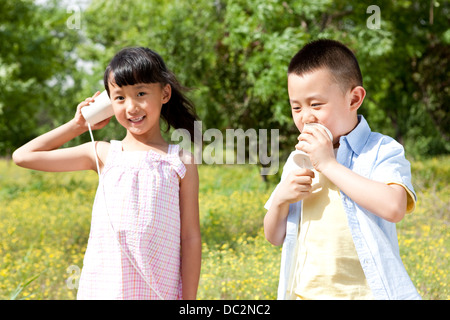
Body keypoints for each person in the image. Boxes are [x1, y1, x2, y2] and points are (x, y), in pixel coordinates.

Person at [13, 47, 201, 300]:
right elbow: (23, 156)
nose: (131, 107)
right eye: (120, 98)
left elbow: (190, 237)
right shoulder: (102, 154)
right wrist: (78, 125)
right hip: (104, 290)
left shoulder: (180, 161)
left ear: (165, 93)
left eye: (141, 93)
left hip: (158, 291)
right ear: (109, 103)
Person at [263, 39, 420, 300]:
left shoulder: (380, 150)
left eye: (316, 105)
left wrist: (328, 164)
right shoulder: (297, 160)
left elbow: (394, 207)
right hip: (304, 294)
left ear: (354, 99)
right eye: (296, 107)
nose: (305, 117)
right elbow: (274, 236)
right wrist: (280, 199)